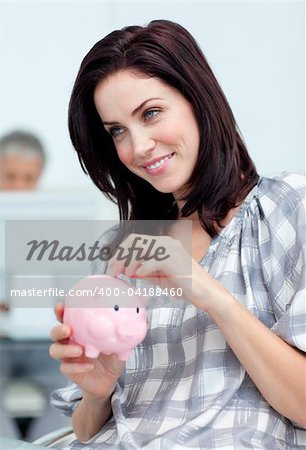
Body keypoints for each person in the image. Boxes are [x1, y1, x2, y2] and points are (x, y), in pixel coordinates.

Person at [49, 20, 306, 449]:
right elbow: (86, 430)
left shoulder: (284, 208)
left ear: (198, 100)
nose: (138, 147)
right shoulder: (123, 249)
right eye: (117, 131)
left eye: (150, 113)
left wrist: (207, 291)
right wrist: (97, 393)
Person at [0, 130, 71, 441]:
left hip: (39, 342)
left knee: (69, 391)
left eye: (27, 179)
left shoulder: (56, 223)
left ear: (39, 177)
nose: (18, 188)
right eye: (9, 176)